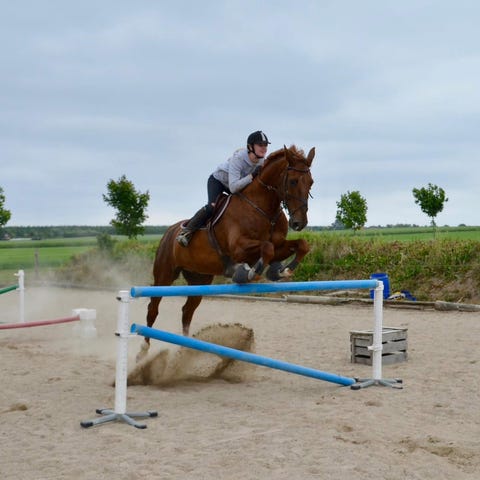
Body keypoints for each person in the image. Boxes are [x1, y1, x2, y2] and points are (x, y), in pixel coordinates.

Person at [176, 130, 271, 247]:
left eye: (265, 145)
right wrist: (251, 176)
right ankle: (187, 232)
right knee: (212, 206)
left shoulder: (262, 161)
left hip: (237, 185)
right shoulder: (239, 158)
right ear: (250, 147)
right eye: (260, 145)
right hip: (218, 181)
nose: (264, 148)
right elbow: (233, 187)